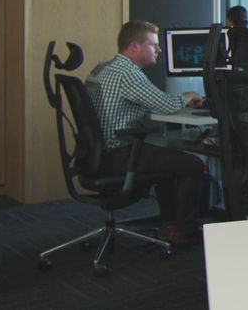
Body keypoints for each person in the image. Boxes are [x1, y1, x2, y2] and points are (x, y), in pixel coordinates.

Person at [85, 20, 207, 245]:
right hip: (119, 154)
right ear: (134, 46)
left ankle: (172, 225)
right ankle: (185, 230)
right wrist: (188, 96)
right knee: (193, 165)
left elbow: (135, 101)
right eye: (154, 45)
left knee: (167, 162)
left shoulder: (102, 68)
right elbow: (165, 104)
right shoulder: (128, 73)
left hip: (95, 155)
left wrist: (174, 101)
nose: (159, 50)